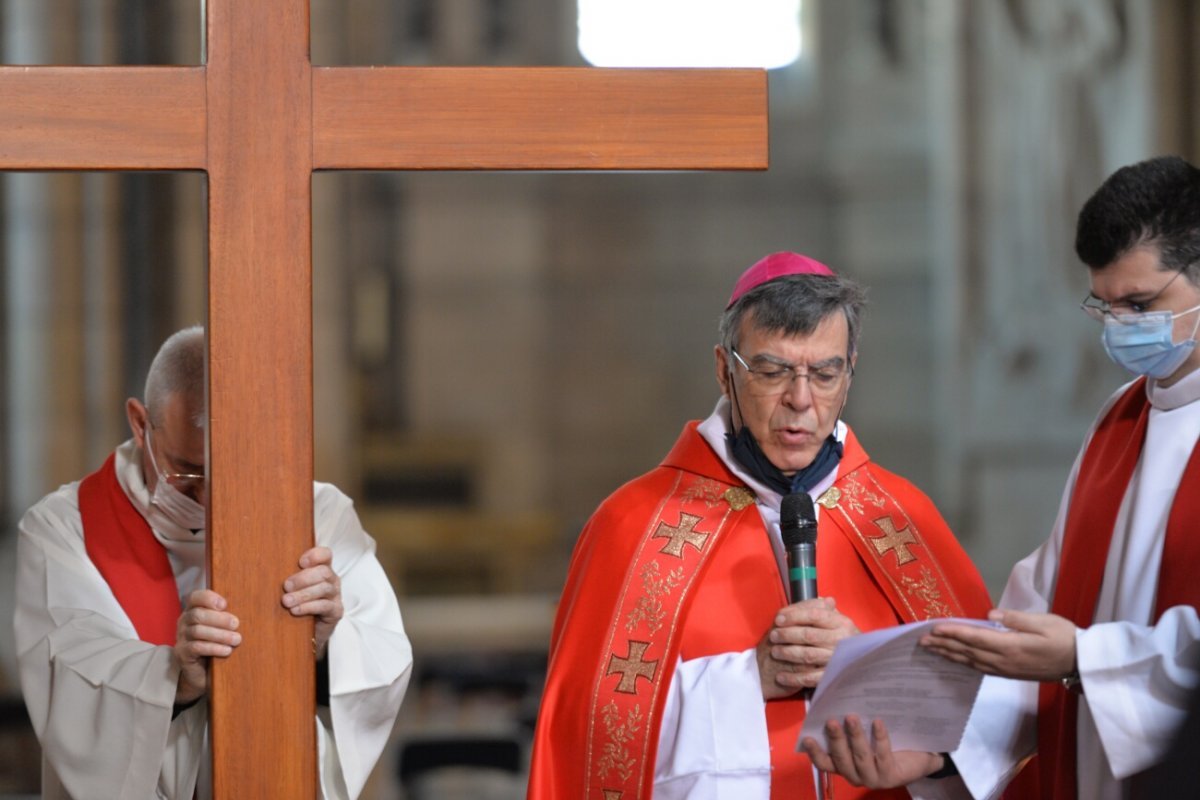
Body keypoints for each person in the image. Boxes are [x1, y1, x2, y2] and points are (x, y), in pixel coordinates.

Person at [802, 155, 1200, 799]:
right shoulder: (1120, 421)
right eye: (1104, 306)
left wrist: (1083, 659)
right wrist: (936, 752)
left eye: (1142, 304)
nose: (1122, 326)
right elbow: (1031, 626)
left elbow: (1068, 651)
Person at [527, 253, 994, 799]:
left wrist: (867, 669)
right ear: (726, 370)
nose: (801, 400)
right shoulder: (632, 523)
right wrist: (753, 678)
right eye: (773, 372)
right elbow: (588, 737)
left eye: (824, 373)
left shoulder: (901, 519)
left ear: (850, 373)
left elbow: (997, 720)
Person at [13, 326, 413, 799]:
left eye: (228, 470)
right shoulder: (63, 528)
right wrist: (176, 678)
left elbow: (385, 657)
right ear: (140, 425)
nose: (208, 498)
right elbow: (68, 683)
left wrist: (326, 645)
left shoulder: (319, 516)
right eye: (188, 472)